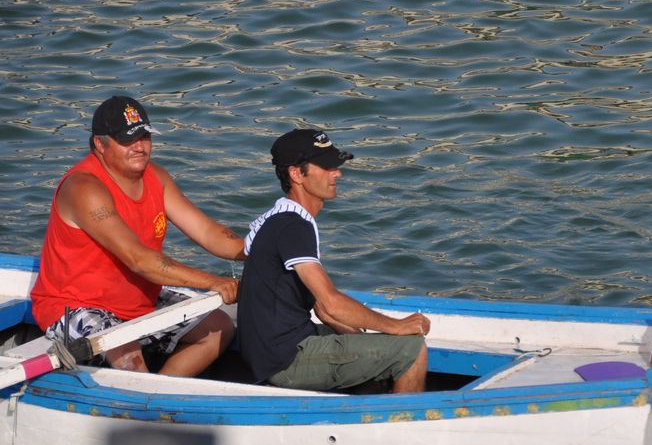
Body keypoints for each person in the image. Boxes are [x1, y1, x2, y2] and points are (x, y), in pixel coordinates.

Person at [30, 95, 244, 376]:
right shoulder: (84, 188)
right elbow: (138, 260)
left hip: (138, 300)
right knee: (130, 357)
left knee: (220, 328)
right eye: (127, 140)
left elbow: (207, 231)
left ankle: (160, 394)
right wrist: (214, 282)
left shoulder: (157, 177)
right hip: (77, 306)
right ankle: (146, 402)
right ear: (99, 144)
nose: (140, 147)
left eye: (144, 136)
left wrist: (258, 249)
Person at [237, 128, 429, 393]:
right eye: (326, 167)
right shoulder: (293, 227)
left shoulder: (281, 219)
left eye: (336, 166)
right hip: (284, 360)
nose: (337, 173)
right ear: (296, 174)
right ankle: (403, 428)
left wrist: (362, 339)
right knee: (412, 348)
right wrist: (396, 327)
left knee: (378, 349)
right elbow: (331, 303)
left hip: (275, 350)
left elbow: (324, 311)